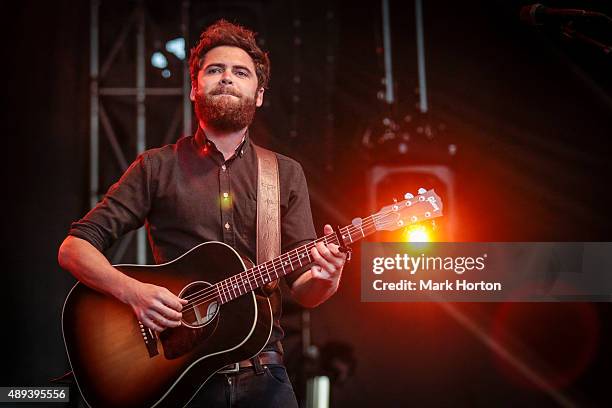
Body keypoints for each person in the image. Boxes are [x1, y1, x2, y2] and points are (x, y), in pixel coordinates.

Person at [57, 19, 346, 407]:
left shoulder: (284, 173)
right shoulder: (156, 167)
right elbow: (73, 249)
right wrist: (135, 294)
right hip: (180, 380)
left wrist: (328, 278)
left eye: (240, 72)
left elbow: (304, 290)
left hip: (263, 375)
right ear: (195, 87)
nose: (227, 78)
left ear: (258, 95)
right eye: (215, 70)